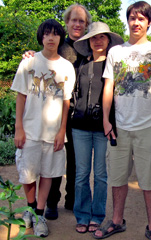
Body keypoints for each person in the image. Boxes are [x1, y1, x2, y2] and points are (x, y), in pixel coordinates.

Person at [94, 1, 151, 239]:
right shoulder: (115, 52)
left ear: (148, 22)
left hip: (149, 128)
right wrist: (107, 122)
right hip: (119, 128)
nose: (136, 22)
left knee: (150, 180)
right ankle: (117, 221)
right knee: (117, 179)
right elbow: (109, 87)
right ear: (127, 20)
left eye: (141, 18)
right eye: (132, 17)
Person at [23, 3, 92, 220]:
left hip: (82, 113)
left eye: (82, 21)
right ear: (67, 22)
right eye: (74, 20)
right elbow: (42, 59)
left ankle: (72, 199)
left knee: (75, 160)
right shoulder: (60, 46)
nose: (78, 24)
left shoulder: (92, 46)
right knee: (52, 158)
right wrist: (29, 54)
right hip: (56, 112)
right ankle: (51, 202)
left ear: (87, 25)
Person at [11, 19, 76, 237]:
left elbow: (66, 102)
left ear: (60, 38)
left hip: (52, 133)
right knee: (27, 175)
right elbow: (21, 96)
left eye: (55, 34)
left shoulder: (67, 67)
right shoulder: (29, 63)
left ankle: (39, 214)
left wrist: (62, 131)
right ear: (41, 37)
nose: (50, 38)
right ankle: (29, 208)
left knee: (48, 174)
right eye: (46, 34)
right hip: (29, 131)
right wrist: (18, 127)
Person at [71, 22, 123, 234]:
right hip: (80, 127)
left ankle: (98, 215)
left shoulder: (115, 65)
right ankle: (82, 215)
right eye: (93, 37)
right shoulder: (80, 64)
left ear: (108, 40)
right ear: (88, 41)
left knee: (101, 175)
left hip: (104, 128)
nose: (98, 40)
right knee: (82, 174)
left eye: (102, 36)